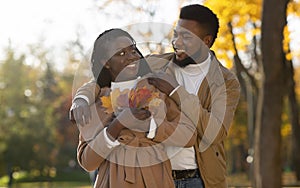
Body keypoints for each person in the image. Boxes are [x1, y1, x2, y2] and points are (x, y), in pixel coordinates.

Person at [71, 4, 240, 188]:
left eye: (186, 37)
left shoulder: (226, 81)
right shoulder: (157, 63)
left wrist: (175, 91)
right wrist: (81, 99)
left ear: (206, 41)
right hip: (158, 176)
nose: (177, 42)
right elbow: (105, 79)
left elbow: (215, 131)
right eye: (176, 34)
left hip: (197, 178)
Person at [71, 28, 197, 188]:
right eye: (121, 54)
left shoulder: (156, 89)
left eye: (133, 50)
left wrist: (150, 127)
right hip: (113, 181)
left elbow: (189, 135)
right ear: (106, 62)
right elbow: (87, 162)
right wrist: (117, 126)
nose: (132, 57)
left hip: (156, 179)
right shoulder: (95, 101)